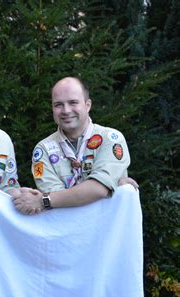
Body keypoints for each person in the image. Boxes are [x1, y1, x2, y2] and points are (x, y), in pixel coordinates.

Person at [10, 77, 135, 214]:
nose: (66, 110)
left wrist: (44, 200)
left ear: (87, 105)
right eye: (58, 105)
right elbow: (57, 201)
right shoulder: (43, 150)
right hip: (67, 232)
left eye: (73, 102)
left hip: (108, 231)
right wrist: (103, 189)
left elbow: (99, 188)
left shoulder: (110, 139)